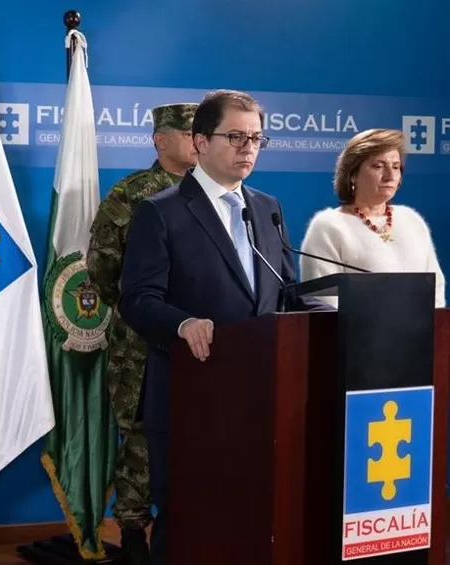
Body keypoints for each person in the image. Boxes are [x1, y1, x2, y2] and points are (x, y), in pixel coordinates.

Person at [116, 89, 330, 564]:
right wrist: (183, 322)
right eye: (235, 136)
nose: (247, 148)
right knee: (190, 522)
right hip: (191, 395)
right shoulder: (161, 211)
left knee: (252, 516)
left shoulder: (268, 207)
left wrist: (334, 312)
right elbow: (137, 299)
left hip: (262, 399)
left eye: (256, 138)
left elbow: (284, 293)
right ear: (199, 142)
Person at [86, 102, 198, 564]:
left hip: (205, 337)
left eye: (201, 132)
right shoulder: (131, 195)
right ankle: (132, 531)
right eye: (186, 132)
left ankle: (192, 526)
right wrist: (142, 311)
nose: (196, 139)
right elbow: (102, 264)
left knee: (197, 431)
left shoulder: (215, 193)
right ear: (159, 139)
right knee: (139, 436)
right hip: (141, 340)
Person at [300, 128, 445, 307]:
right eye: (378, 166)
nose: (390, 176)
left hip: (420, 332)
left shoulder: (412, 220)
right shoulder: (328, 226)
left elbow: (436, 287)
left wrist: (432, 329)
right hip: (356, 334)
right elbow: (322, 301)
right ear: (353, 173)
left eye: (396, 167)